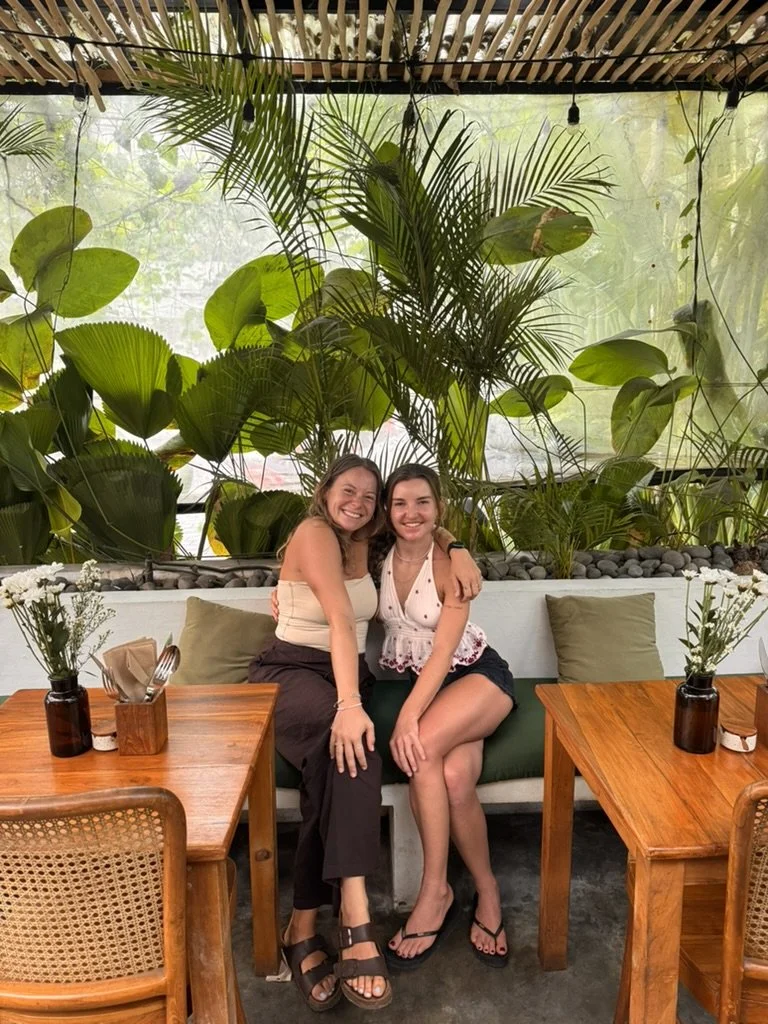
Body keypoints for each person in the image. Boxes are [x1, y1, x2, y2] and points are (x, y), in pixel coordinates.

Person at [249, 454, 482, 1012]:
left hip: (344, 675)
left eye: (369, 496)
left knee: (338, 765)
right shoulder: (313, 533)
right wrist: (349, 705)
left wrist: (456, 546)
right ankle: (355, 913)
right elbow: (335, 619)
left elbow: (424, 522)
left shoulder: (370, 544)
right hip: (293, 673)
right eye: (347, 491)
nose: (358, 502)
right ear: (325, 491)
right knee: (353, 747)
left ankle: (303, 925)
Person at [379, 464, 515, 971]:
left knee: (419, 750)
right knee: (456, 778)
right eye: (400, 503)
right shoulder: (380, 555)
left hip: (477, 677)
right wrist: (287, 589)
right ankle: (488, 891)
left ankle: (433, 892)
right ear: (387, 511)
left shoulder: (449, 565)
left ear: (438, 507)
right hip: (433, 690)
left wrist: (407, 719)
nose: (411, 513)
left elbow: (442, 652)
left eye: (423, 503)